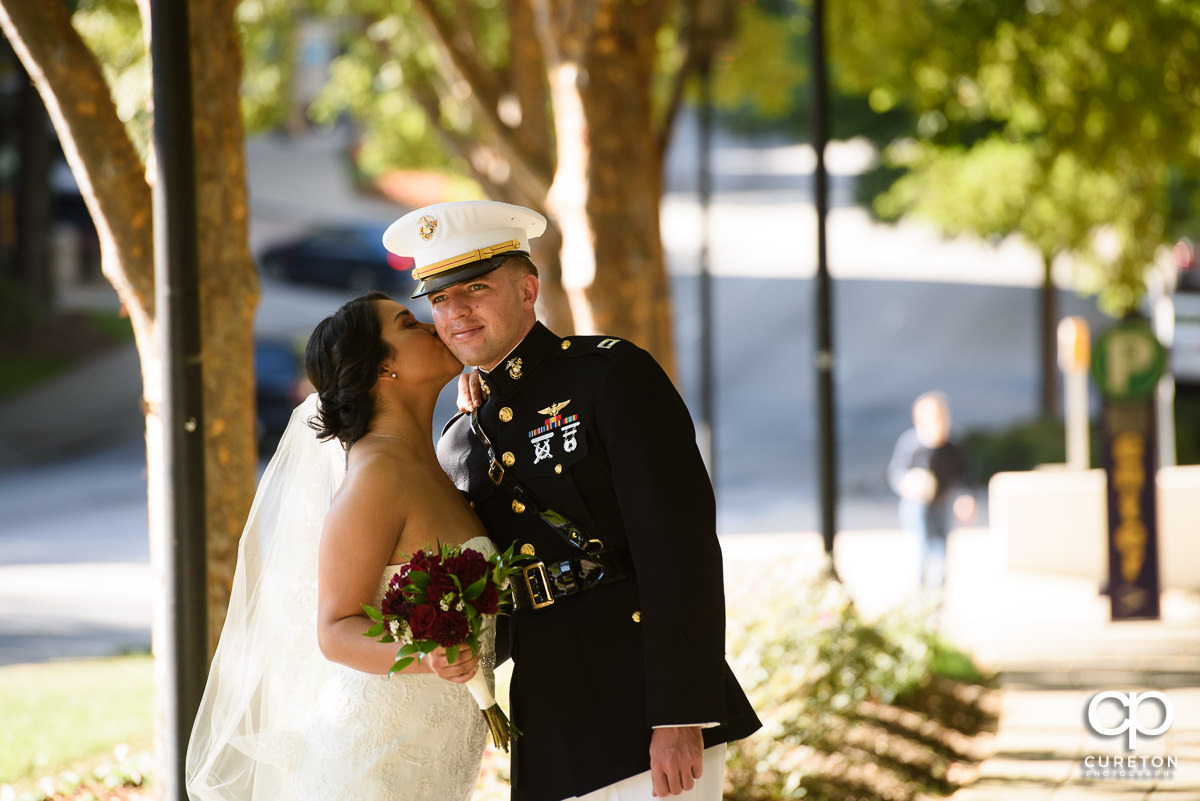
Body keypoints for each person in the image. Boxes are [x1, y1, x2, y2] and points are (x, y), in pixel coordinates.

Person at [383, 200, 761, 801]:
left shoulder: (609, 378)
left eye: (475, 289)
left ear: (528, 288)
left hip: (645, 707)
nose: (455, 312)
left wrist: (678, 714)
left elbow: (678, 548)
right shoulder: (460, 440)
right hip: (549, 721)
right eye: (439, 299)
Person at [187, 291, 496, 801]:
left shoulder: (431, 462)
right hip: (374, 768)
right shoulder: (376, 478)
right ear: (382, 369)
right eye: (407, 324)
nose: (430, 324)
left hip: (434, 758)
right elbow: (334, 629)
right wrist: (426, 656)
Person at [886, 390, 976, 597]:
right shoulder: (911, 444)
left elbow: (965, 475)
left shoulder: (954, 445)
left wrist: (965, 497)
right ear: (918, 421)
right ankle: (918, 595)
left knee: (941, 548)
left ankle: (937, 596)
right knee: (921, 548)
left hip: (941, 503)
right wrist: (907, 484)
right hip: (916, 505)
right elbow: (896, 473)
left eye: (941, 419)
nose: (938, 425)